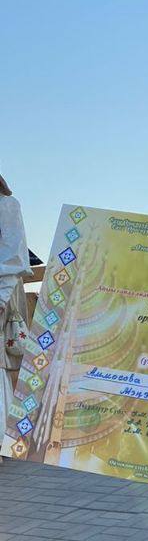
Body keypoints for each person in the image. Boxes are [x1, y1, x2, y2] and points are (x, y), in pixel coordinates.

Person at [0, 174, 31, 444]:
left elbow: (14, 257)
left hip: (2, 289)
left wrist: (1, 298)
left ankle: (3, 439)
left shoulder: (6, 205)